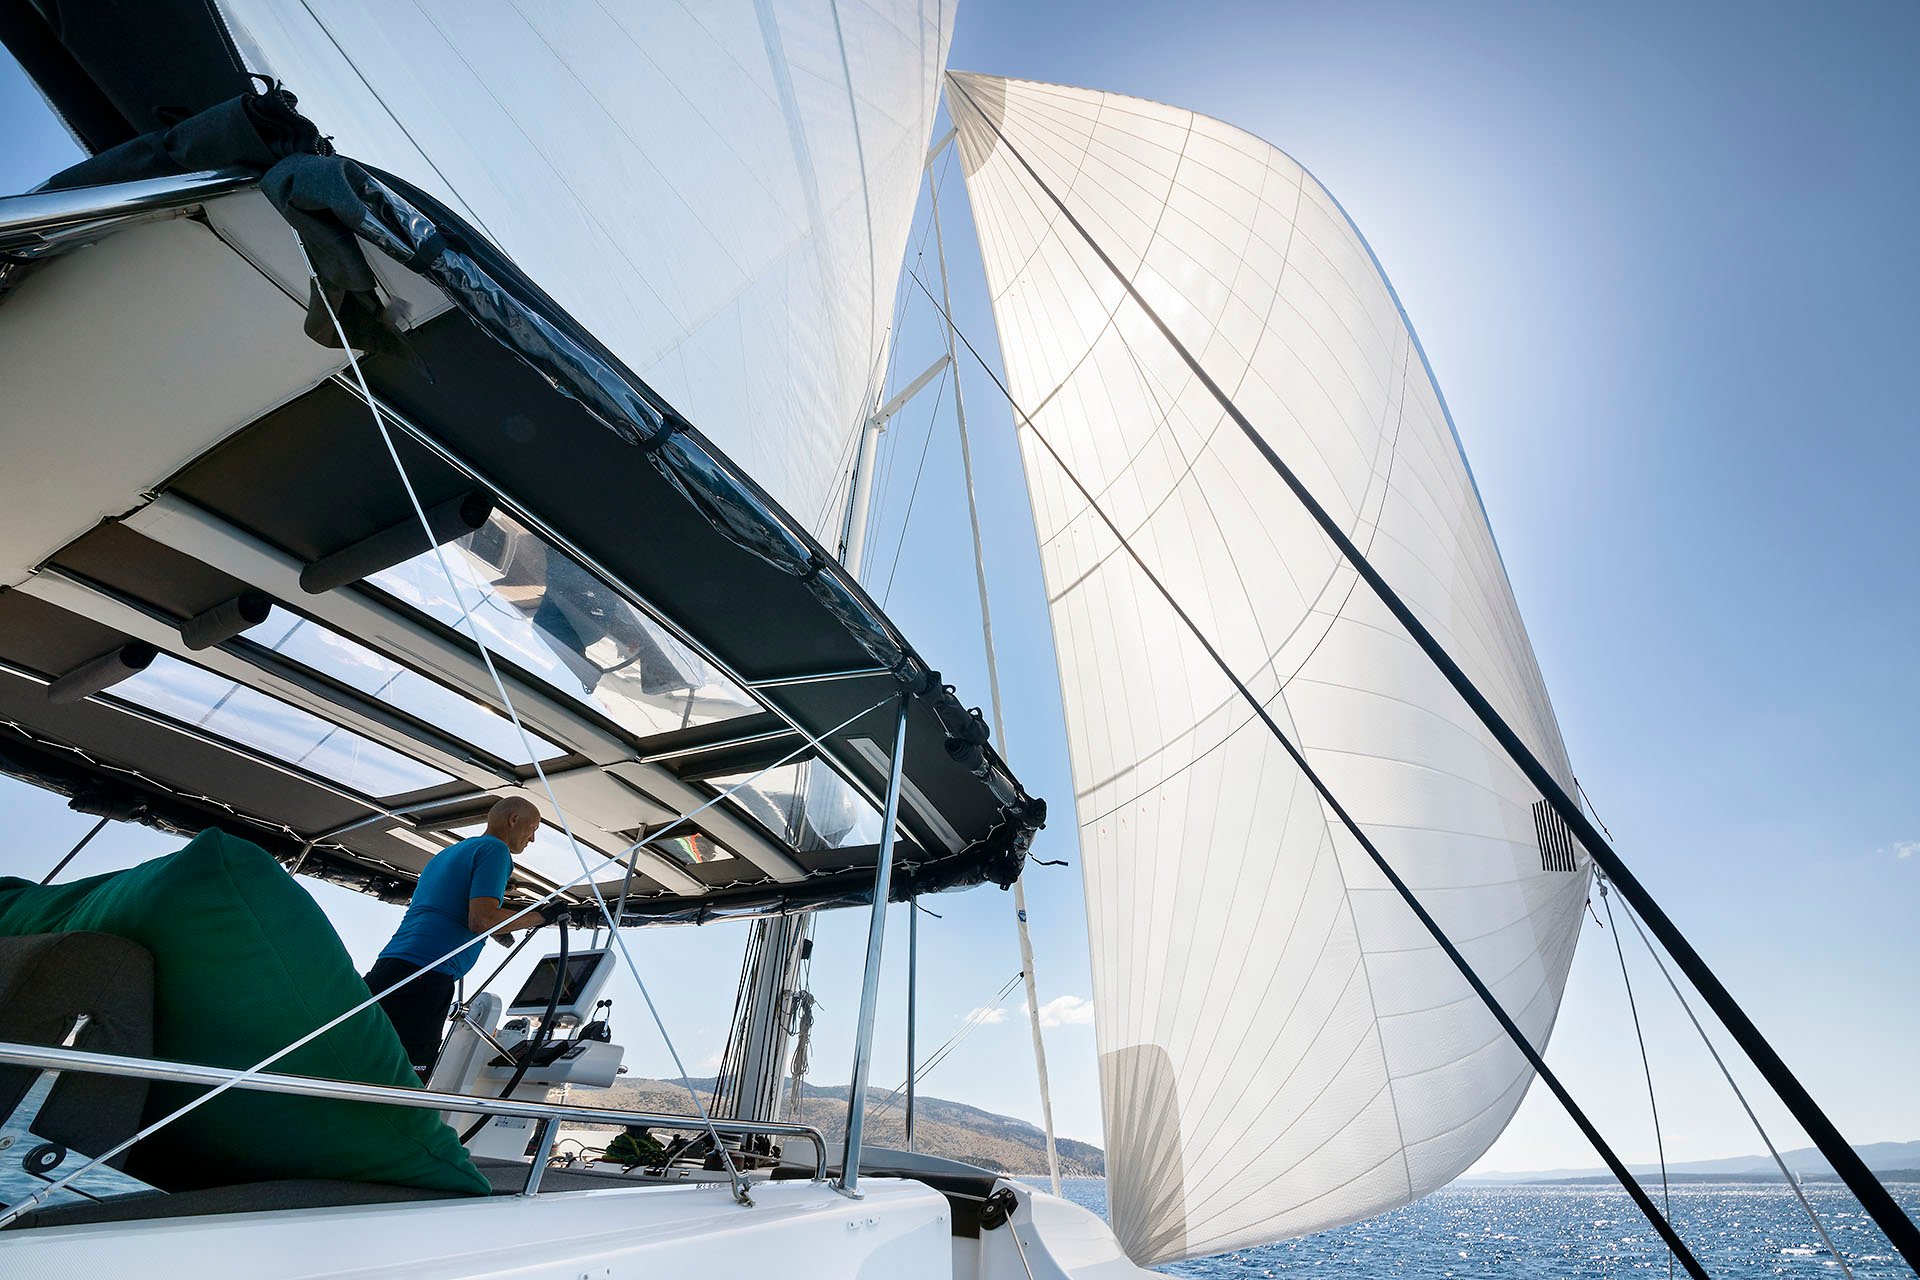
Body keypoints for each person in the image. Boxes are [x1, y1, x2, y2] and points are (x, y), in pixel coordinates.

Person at [363, 797, 546, 1078]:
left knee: (361, 1064)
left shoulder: (451, 853)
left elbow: (449, 908)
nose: (533, 839)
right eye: (532, 828)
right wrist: (542, 916)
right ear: (513, 820)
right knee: (405, 1082)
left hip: (389, 970)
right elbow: (482, 919)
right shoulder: (496, 850)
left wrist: (501, 928)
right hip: (425, 978)